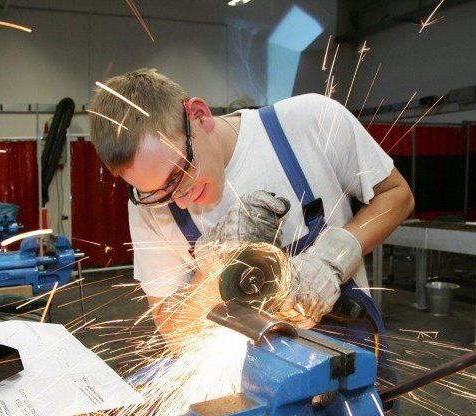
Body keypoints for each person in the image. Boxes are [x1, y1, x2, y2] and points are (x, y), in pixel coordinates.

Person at [89, 68, 414, 379]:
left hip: (345, 355)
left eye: (179, 172)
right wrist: (213, 271)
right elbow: (175, 333)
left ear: (199, 116)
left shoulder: (309, 121)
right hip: (242, 378)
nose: (180, 199)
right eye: (158, 193)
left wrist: (331, 259)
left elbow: (397, 195)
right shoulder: (147, 209)